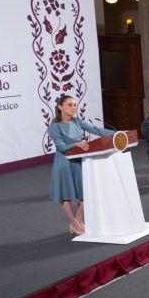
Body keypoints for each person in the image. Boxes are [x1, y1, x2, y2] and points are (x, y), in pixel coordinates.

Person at [47, 94, 114, 235]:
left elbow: (97, 131)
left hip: (78, 160)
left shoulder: (77, 121)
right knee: (65, 195)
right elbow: (61, 147)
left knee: (84, 193)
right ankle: (74, 223)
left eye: (75, 105)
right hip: (64, 163)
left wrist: (118, 133)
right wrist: (76, 143)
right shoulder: (54, 126)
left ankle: (77, 220)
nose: (73, 108)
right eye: (70, 105)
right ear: (60, 107)